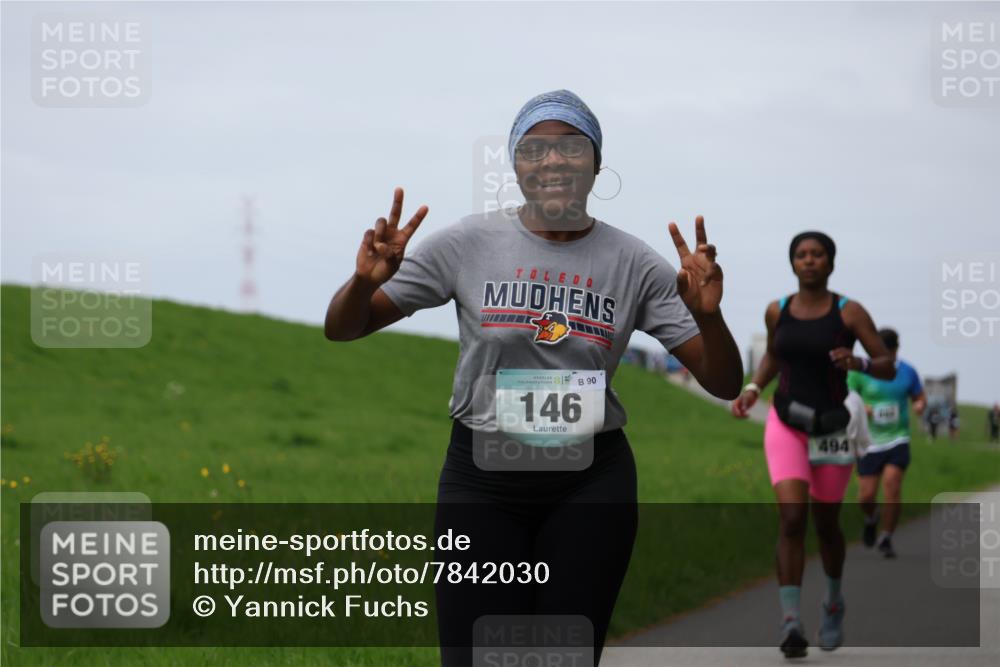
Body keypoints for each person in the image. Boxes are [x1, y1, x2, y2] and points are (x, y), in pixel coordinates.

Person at [324, 89, 744, 666]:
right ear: (516, 166)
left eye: (571, 148)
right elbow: (344, 328)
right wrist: (364, 283)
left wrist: (708, 315)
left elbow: (722, 382)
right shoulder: (468, 243)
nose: (552, 162)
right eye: (534, 150)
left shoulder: (634, 262)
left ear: (596, 163)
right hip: (482, 479)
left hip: (589, 481)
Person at [731, 231, 894, 658]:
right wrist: (752, 388)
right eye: (801, 255)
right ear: (792, 263)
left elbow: (887, 366)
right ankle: (791, 623)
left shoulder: (849, 311)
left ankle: (833, 601)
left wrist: (857, 361)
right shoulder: (777, 310)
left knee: (825, 524)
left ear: (830, 263)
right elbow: (773, 356)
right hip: (786, 422)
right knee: (790, 518)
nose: (809, 261)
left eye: (817, 255)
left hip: (833, 428)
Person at [849, 328, 926, 559]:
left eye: (885, 351)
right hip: (868, 441)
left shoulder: (907, 372)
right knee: (865, 496)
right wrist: (863, 407)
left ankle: (887, 536)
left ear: (894, 350)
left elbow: (919, 396)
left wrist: (919, 405)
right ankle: (872, 517)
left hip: (898, 438)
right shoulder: (860, 371)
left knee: (892, 485)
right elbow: (847, 397)